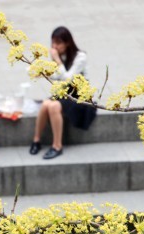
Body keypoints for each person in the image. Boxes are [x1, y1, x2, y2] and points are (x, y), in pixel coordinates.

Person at [29, 26, 97, 159]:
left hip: (79, 96)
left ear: (67, 42)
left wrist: (57, 61)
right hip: (64, 93)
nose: (55, 46)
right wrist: (42, 72)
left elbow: (67, 78)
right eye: (53, 43)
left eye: (58, 43)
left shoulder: (80, 57)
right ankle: (36, 140)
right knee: (45, 104)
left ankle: (57, 146)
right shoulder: (60, 57)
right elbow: (57, 76)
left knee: (53, 106)